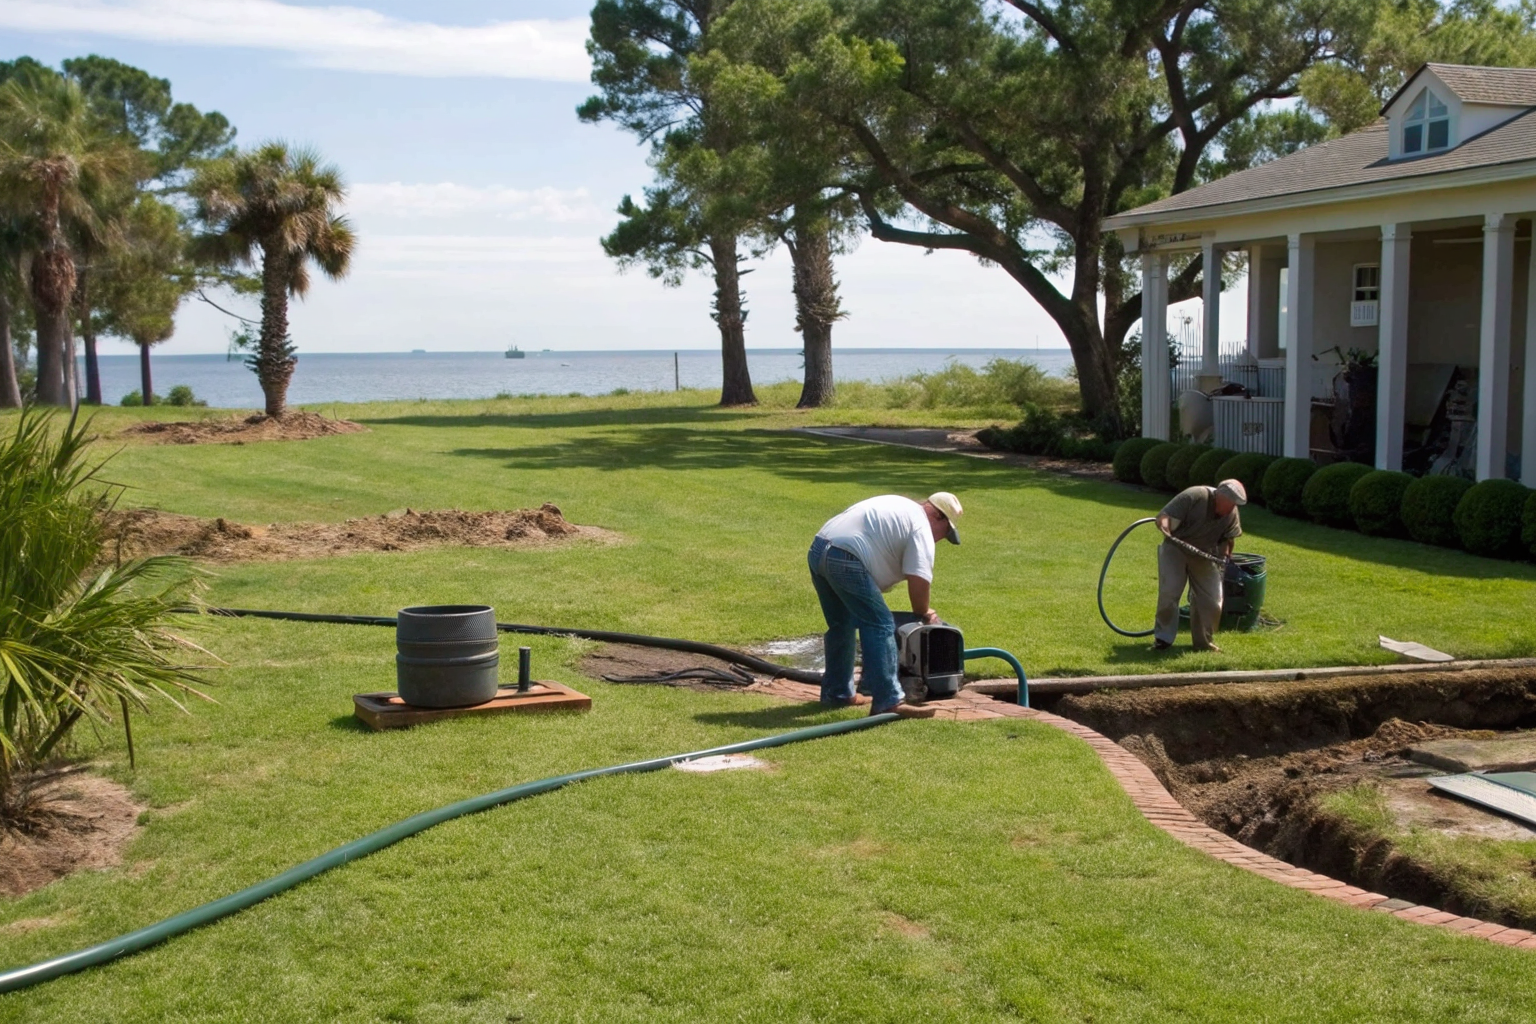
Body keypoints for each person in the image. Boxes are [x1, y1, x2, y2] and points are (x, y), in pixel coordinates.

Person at [807, 492, 963, 717]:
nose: (940, 539)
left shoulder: (902, 507)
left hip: (820, 547)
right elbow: (919, 583)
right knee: (880, 624)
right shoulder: (920, 527)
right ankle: (889, 700)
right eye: (945, 531)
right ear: (937, 515)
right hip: (845, 556)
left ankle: (838, 693)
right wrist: (924, 611)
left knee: (842, 624)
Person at [1154, 479, 1246, 653]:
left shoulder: (1232, 513)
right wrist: (1166, 529)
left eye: (1233, 505)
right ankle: (1163, 639)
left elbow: (1228, 538)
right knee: (1170, 591)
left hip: (1205, 554)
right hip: (1176, 548)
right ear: (1218, 496)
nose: (1230, 508)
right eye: (1228, 504)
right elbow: (1164, 516)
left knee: (1212, 600)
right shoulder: (1195, 495)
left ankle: (1203, 642)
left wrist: (1225, 556)